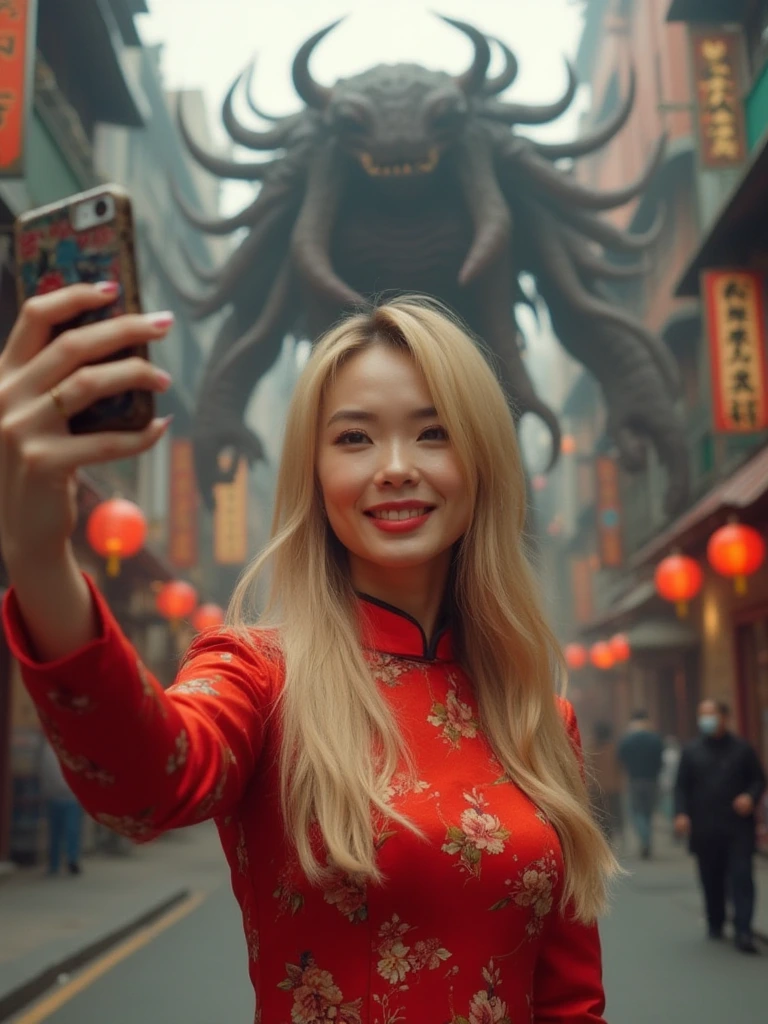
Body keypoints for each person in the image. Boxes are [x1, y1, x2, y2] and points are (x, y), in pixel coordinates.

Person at [0, 286, 618, 1022]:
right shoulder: (260, 675)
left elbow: (572, 1002)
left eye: (434, 433)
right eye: (355, 438)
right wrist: (39, 556)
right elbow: (140, 787)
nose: (394, 467)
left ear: (482, 460)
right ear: (316, 474)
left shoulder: (542, 720)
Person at [674, 699, 766, 954]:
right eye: (702, 714)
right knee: (711, 877)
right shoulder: (691, 751)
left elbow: (758, 780)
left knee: (741, 877)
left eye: (711, 714)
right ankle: (716, 920)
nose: (707, 719)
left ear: (724, 717)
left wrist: (750, 796)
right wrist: (681, 814)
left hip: (738, 827)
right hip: (705, 826)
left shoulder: (742, 750)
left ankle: (744, 930)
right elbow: (681, 786)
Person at [617, 710, 664, 859]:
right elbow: (661, 760)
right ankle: (647, 839)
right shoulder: (655, 739)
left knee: (637, 813)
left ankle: (645, 839)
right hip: (652, 780)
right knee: (648, 813)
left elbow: (620, 759)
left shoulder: (627, 739)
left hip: (634, 780)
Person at [39, 736, 84, 875]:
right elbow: (45, 772)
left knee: (70, 831)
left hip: (70, 798)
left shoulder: (70, 747)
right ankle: (55, 863)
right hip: (57, 798)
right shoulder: (49, 750)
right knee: (57, 833)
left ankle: (71, 860)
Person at [588, 722, 623, 847]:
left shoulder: (592, 749)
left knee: (601, 815)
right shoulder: (614, 748)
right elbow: (619, 768)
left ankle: (606, 837)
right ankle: (613, 834)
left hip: (598, 788)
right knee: (613, 812)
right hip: (613, 788)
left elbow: (589, 769)